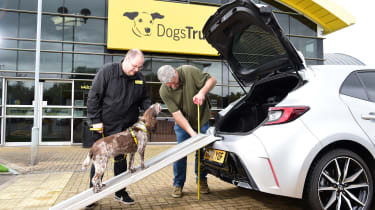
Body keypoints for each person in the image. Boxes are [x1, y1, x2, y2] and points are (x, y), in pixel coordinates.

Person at [86, 48, 151, 208]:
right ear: (126, 59)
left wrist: (150, 109)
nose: (136, 70)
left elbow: (144, 99)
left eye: (139, 68)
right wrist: (95, 120)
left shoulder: (139, 78)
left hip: (126, 129)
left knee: (121, 160)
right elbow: (93, 97)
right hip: (105, 127)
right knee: (100, 160)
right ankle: (92, 194)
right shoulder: (107, 72)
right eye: (134, 66)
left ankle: (120, 192)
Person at [157, 64, 217, 198]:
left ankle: (201, 181)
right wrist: (192, 133)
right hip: (183, 123)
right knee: (180, 152)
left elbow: (212, 80)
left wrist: (202, 92)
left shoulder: (189, 71)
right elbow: (177, 115)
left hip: (201, 119)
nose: (171, 86)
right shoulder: (164, 91)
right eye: (168, 85)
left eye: (172, 83)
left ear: (175, 73)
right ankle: (178, 184)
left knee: (202, 152)